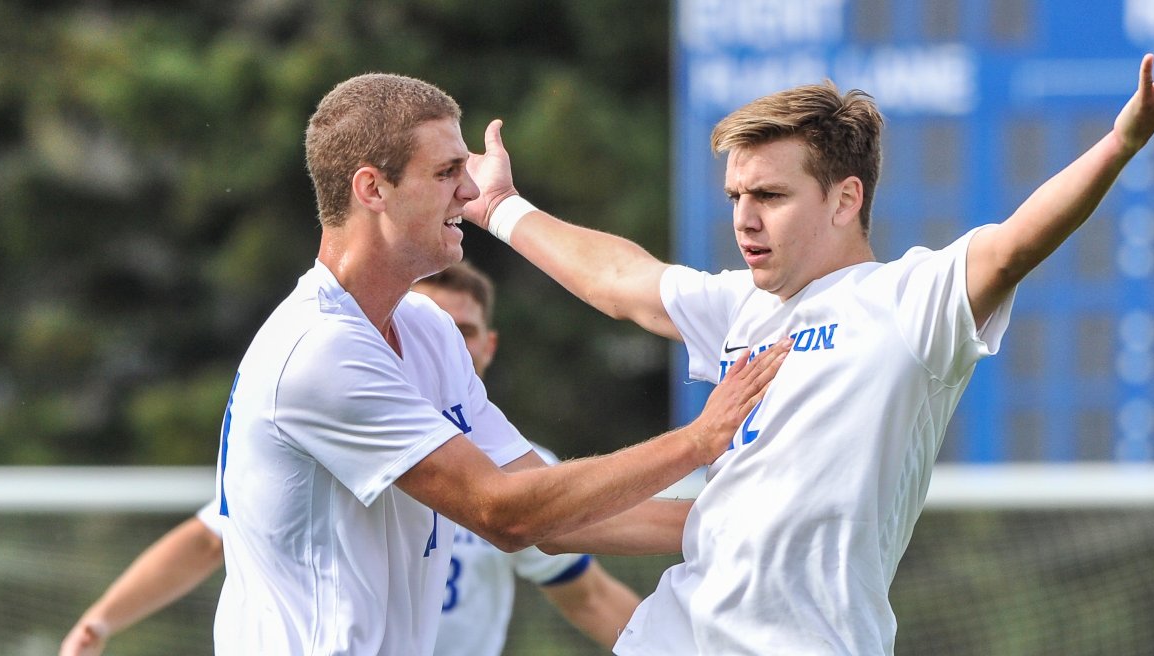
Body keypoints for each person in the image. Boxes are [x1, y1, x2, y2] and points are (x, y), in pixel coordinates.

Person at [461, 39, 1154, 655]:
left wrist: (1121, 143)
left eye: (769, 194)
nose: (744, 218)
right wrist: (500, 207)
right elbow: (622, 280)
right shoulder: (740, 304)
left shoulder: (907, 301)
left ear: (845, 197)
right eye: (736, 196)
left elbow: (1011, 247)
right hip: (676, 636)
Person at [206, 72, 789, 654]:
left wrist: (761, 525)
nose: (468, 191)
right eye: (445, 172)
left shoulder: (427, 328)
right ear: (372, 189)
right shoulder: (320, 348)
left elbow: (554, 513)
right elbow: (505, 514)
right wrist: (698, 440)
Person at [60, 261, 643, 656]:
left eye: (462, 330)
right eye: (425, 324)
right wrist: (103, 618)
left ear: (487, 347)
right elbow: (210, 536)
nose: (440, 341)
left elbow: (587, 594)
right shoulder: (336, 421)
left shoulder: (522, 470)